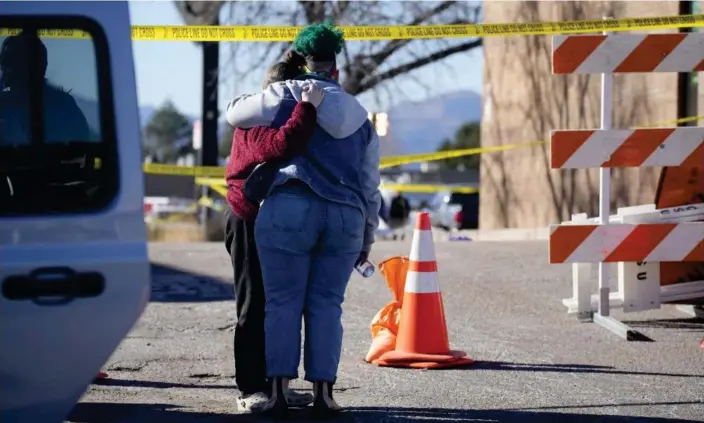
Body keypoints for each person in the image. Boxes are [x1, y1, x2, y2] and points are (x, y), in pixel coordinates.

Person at [226, 22, 381, 420]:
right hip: (346, 215)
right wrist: (367, 235)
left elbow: (234, 114)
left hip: (289, 208)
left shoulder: (281, 94)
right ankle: (324, 396)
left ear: (301, 60)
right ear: (337, 69)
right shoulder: (359, 114)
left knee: (281, 302)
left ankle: (276, 391)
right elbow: (369, 184)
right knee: (327, 304)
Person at [0, 31, 90, 145]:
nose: (5, 68)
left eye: (9, 61)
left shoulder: (63, 105)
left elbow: (81, 149)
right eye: (4, 61)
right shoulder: (65, 104)